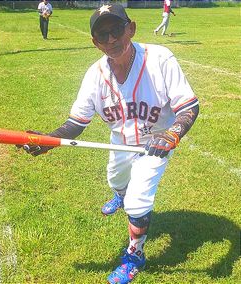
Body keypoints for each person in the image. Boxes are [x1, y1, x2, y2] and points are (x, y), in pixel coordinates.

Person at [19, 4, 199, 284]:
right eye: (103, 36)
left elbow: (189, 106)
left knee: (138, 202)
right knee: (116, 179)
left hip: (155, 143)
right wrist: (47, 141)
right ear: (95, 43)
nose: (111, 39)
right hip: (120, 141)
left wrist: (172, 134)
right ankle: (119, 194)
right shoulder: (95, 75)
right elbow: (77, 123)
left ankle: (134, 255)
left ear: (131, 28)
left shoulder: (159, 59)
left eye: (116, 30)